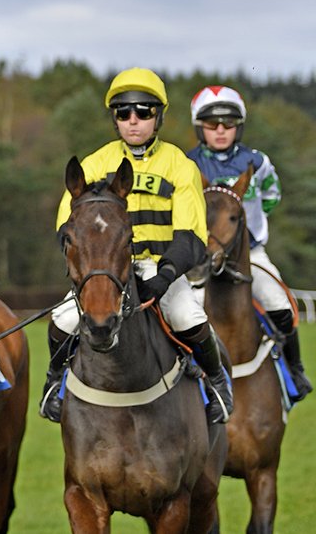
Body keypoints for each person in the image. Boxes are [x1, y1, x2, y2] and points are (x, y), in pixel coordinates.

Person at [40, 67, 234, 424]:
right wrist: (90, 271)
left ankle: (219, 385)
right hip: (108, 270)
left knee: (186, 315)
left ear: (158, 116)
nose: (133, 121)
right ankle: (54, 384)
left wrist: (164, 277)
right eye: (123, 113)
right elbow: (66, 229)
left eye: (143, 112)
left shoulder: (179, 164)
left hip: (162, 268)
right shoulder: (94, 163)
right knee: (64, 318)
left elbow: (190, 234)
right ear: (115, 119)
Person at [186, 85, 310, 400]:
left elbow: (272, 195)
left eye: (228, 123)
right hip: (203, 256)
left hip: (250, 254)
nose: (221, 130)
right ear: (200, 128)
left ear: (239, 126)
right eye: (212, 124)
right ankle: (184, 372)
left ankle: (295, 369)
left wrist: (248, 229)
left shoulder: (258, 161)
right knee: (185, 311)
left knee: (280, 303)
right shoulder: (188, 164)